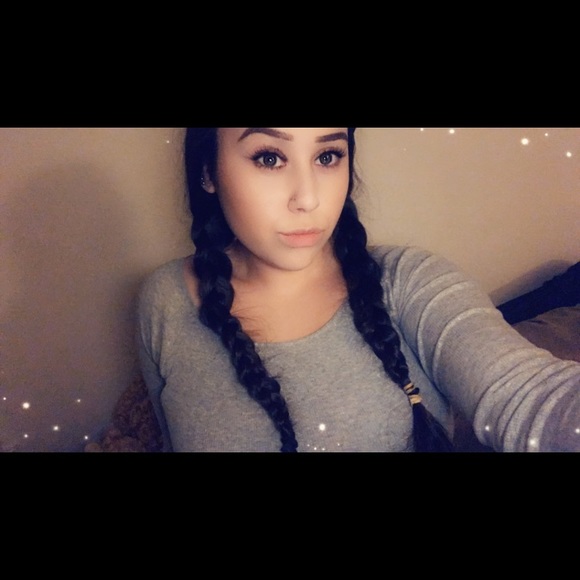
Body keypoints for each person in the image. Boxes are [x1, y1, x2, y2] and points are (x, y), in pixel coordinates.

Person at [136, 128, 580, 452]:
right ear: (208, 171)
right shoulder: (165, 301)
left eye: (327, 156)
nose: (308, 198)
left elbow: (528, 396)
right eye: (269, 158)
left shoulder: (409, 282)